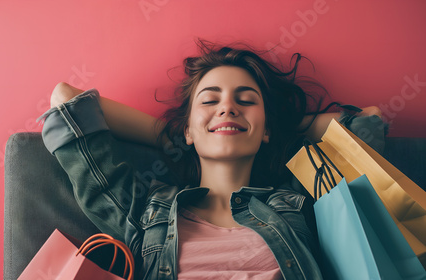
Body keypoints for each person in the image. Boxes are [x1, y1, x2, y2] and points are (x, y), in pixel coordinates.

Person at [38, 41, 381, 280]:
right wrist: (174, 133)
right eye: (210, 101)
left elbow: (366, 123)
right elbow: (66, 100)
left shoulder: (299, 202)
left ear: (266, 131)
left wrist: (270, 128)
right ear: (188, 128)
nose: (227, 107)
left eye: (245, 101)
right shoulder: (145, 212)